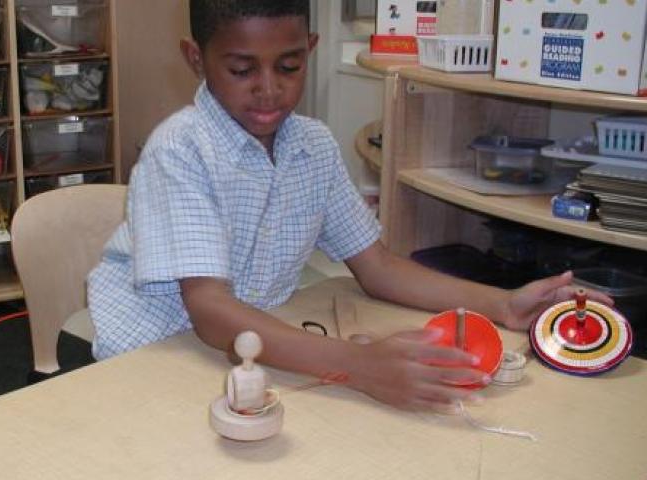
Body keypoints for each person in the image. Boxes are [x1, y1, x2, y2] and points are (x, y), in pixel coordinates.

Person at [88, 0, 611, 411]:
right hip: (158, 348)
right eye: (242, 70)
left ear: (310, 50)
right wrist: (359, 365)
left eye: (289, 65)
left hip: (256, 337)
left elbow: (377, 266)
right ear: (196, 59)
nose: (269, 90)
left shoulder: (311, 145)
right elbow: (209, 309)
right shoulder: (179, 149)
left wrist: (501, 304)